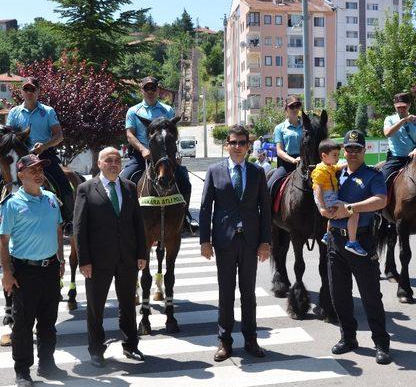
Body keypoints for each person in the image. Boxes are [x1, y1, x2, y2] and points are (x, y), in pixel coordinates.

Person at [200, 125, 271, 362]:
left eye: (242, 142)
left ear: (248, 146)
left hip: (250, 242)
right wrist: (204, 241)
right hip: (224, 242)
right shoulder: (214, 171)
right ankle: (224, 341)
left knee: (248, 293)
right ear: (227, 145)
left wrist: (265, 242)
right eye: (234, 143)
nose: (238, 147)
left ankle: (251, 339)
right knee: (226, 293)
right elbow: (205, 207)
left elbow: (266, 211)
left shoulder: (257, 172)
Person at [74, 147, 147, 368]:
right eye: (108, 160)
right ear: (99, 163)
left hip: (127, 257)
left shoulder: (130, 187)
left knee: (127, 303)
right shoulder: (86, 189)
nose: (114, 164)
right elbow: (79, 228)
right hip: (97, 261)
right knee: (96, 307)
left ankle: (130, 345)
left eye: (117, 160)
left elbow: (138, 224)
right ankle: (96, 349)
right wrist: (84, 260)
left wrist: (142, 254)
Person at [324, 129, 392, 365]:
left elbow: (381, 200)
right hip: (335, 240)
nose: (352, 153)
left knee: (371, 295)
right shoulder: (335, 174)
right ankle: (348, 337)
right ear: (343, 150)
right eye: (349, 148)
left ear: (365, 151)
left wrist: (352, 208)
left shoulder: (373, 176)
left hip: (362, 240)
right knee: (339, 294)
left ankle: (381, 343)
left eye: (357, 149)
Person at [0, 154, 66, 387]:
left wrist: (61, 259)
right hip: (25, 271)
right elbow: (3, 242)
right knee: (23, 324)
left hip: (50, 268)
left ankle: (47, 363)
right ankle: (22, 370)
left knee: (48, 321)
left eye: (40, 168)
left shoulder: (50, 199)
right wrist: (7, 273)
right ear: (21, 174)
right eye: (32, 169)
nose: (38, 172)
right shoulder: (12, 204)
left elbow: (58, 230)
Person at [0, 77, 74, 222]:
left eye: (32, 89)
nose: (29, 92)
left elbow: (59, 135)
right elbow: (8, 137)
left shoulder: (48, 111)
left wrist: (44, 146)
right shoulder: (14, 112)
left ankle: (69, 220)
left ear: (38, 91)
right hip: (19, 157)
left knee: (63, 184)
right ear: (22, 92)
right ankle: (1, 218)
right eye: (26, 89)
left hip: (43, 155)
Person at [121, 76, 198, 231]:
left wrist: (174, 155)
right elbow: (130, 134)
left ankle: (185, 218)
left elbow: (172, 135)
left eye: (153, 88)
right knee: (123, 180)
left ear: (158, 90)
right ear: (141, 90)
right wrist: (143, 150)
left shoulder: (167, 110)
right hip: (141, 155)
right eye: (146, 88)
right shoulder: (133, 111)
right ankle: (123, 220)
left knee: (184, 179)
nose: (150, 91)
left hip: (164, 157)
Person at [311, 139, 366, 256]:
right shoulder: (320, 171)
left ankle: (327, 236)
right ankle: (352, 242)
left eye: (338, 155)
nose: (337, 157)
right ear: (324, 156)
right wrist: (323, 208)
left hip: (330, 197)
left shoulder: (328, 166)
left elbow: (338, 167)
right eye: (335, 155)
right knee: (354, 212)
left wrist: (349, 163)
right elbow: (318, 189)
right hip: (328, 198)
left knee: (332, 216)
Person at [380, 92, 416, 183]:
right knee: (382, 180)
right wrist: (404, 120)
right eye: (398, 107)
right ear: (394, 106)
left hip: (414, 158)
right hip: (396, 159)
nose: (401, 110)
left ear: (409, 105)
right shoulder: (389, 119)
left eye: (404, 107)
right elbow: (387, 133)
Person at [267, 95, 304, 188]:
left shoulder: (306, 127)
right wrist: (293, 160)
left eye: (297, 106)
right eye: (292, 106)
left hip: (304, 164)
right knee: (269, 186)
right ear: (286, 109)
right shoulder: (279, 128)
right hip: (286, 165)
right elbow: (279, 151)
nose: (295, 109)